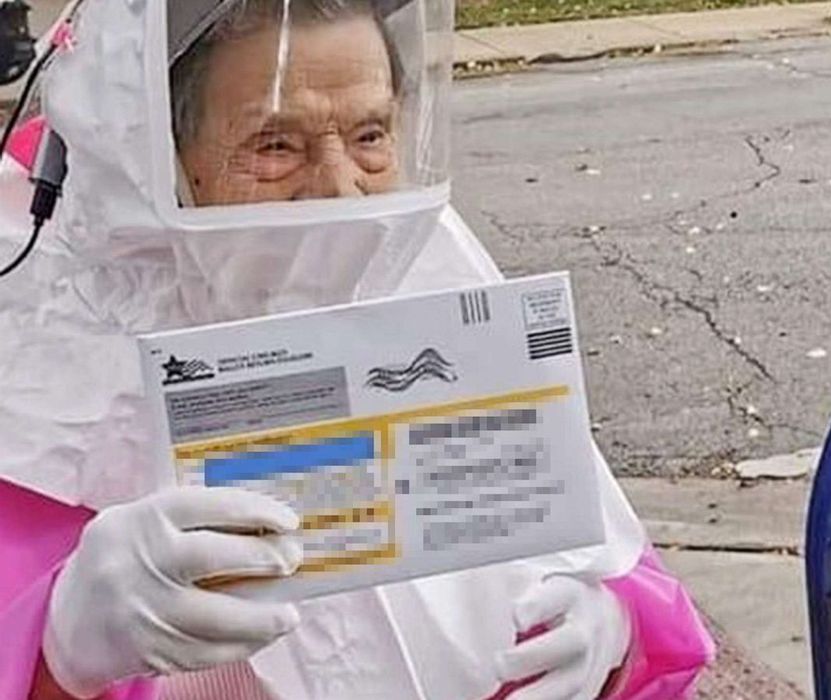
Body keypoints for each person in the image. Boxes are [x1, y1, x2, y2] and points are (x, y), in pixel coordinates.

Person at [0, 1, 715, 698]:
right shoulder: (42, 383)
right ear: (153, 157)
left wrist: (614, 632)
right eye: (275, 144)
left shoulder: (426, 272)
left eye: (370, 134)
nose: (340, 186)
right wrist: (56, 653)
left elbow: (623, 577)